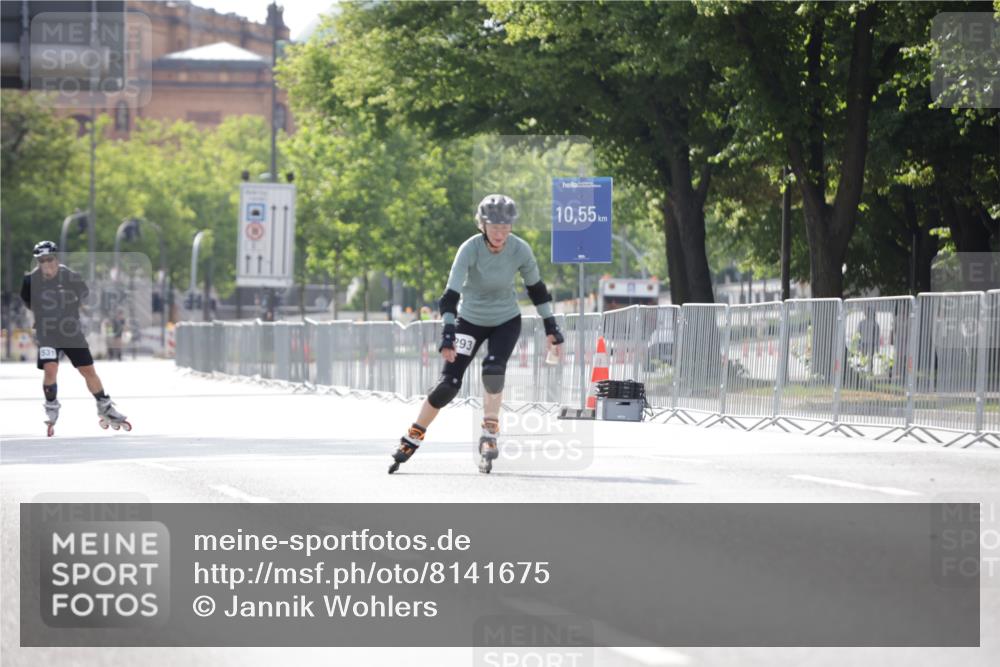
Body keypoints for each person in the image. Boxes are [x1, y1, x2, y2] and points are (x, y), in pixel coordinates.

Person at [389, 194, 564, 474]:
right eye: (494, 227)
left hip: (506, 319)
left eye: (506, 227)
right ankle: (413, 435)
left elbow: (537, 290)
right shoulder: (469, 249)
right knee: (448, 385)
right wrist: (448, 330)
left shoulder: (520, 249)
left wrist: (551, 326)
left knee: (493, 370)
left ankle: (490, 431)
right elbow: (450, 295)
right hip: (469, 320)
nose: (500, 233)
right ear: (482, 225)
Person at [20, 241, 130, 436]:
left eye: (50, 259)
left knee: (88, 371)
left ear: (57, 258)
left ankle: (104, 405)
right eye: (41, 261)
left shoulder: (70, 276)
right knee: (50, 368)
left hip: (71, 331)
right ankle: (51, 405)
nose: (47, 264)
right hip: (47, 332)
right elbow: (29, 302)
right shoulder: (30, 281)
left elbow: (84, 296)